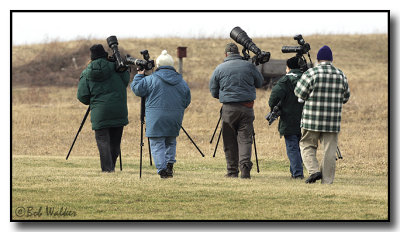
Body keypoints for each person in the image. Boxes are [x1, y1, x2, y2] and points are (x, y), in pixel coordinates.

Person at [294, 45, 350, 184]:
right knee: (329, 151)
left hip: (311, 120)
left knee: (306, 145)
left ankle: (313, 171)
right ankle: (327, 182)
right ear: (332, 59)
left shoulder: (311, 73)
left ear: (318, 59)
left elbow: (299, 93)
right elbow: (345, 97)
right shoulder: (341, 74)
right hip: (332, 121)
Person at [131, 50, 191, 178]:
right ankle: (169, 165)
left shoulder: (151, 79)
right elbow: (187, 100)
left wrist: (139, 75)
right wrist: (178, 109)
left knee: (157, 142)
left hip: (156, 117)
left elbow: (137, 89)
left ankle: (162, 170)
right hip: (175, 117)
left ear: (158, 65)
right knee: (171, 140)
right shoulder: (181, 81)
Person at [209, 43, 264, 179]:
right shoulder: (249, 66)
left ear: (226, 54)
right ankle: (245, 170)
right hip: (247, 107)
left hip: (228, 109)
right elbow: (260, 82)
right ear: (238, 53)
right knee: (245, 139)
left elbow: (213, 90)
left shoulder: (219, 68)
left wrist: (223, 96)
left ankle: (232, 171)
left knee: (229, 140)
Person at [77, 44, 130, 172]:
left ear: (92, 58)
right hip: (118, 110)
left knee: (103, 142)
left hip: (99, 112)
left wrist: (94, 101)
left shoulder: (87, 72)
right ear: (106, 55)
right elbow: (126, 81)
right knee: (115, 142)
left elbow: (82, 96)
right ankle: (111, 166)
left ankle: (108, 169)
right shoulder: (117, 67)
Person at [268, 56, 304, 179]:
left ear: (288, 67)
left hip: (289, 119)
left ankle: (297, 173)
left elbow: (274, 96)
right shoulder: (306, 78)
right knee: (301, 146)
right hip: (306, 118)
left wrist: (274, 108)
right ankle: (294, 171)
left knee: (292, 147)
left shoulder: (285, 80)